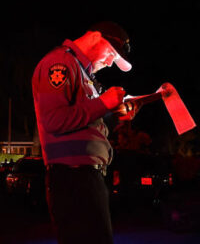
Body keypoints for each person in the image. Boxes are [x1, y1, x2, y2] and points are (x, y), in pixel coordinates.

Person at [32, 21, 137, 244]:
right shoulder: (60, 62)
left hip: (84, 177)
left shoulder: (80, 71)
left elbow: (84, 123)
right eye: (111, 53)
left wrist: (114, 115)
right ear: (95, 37)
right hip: (73, 179)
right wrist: (103, 104)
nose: (110, 63)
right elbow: (54, 120)